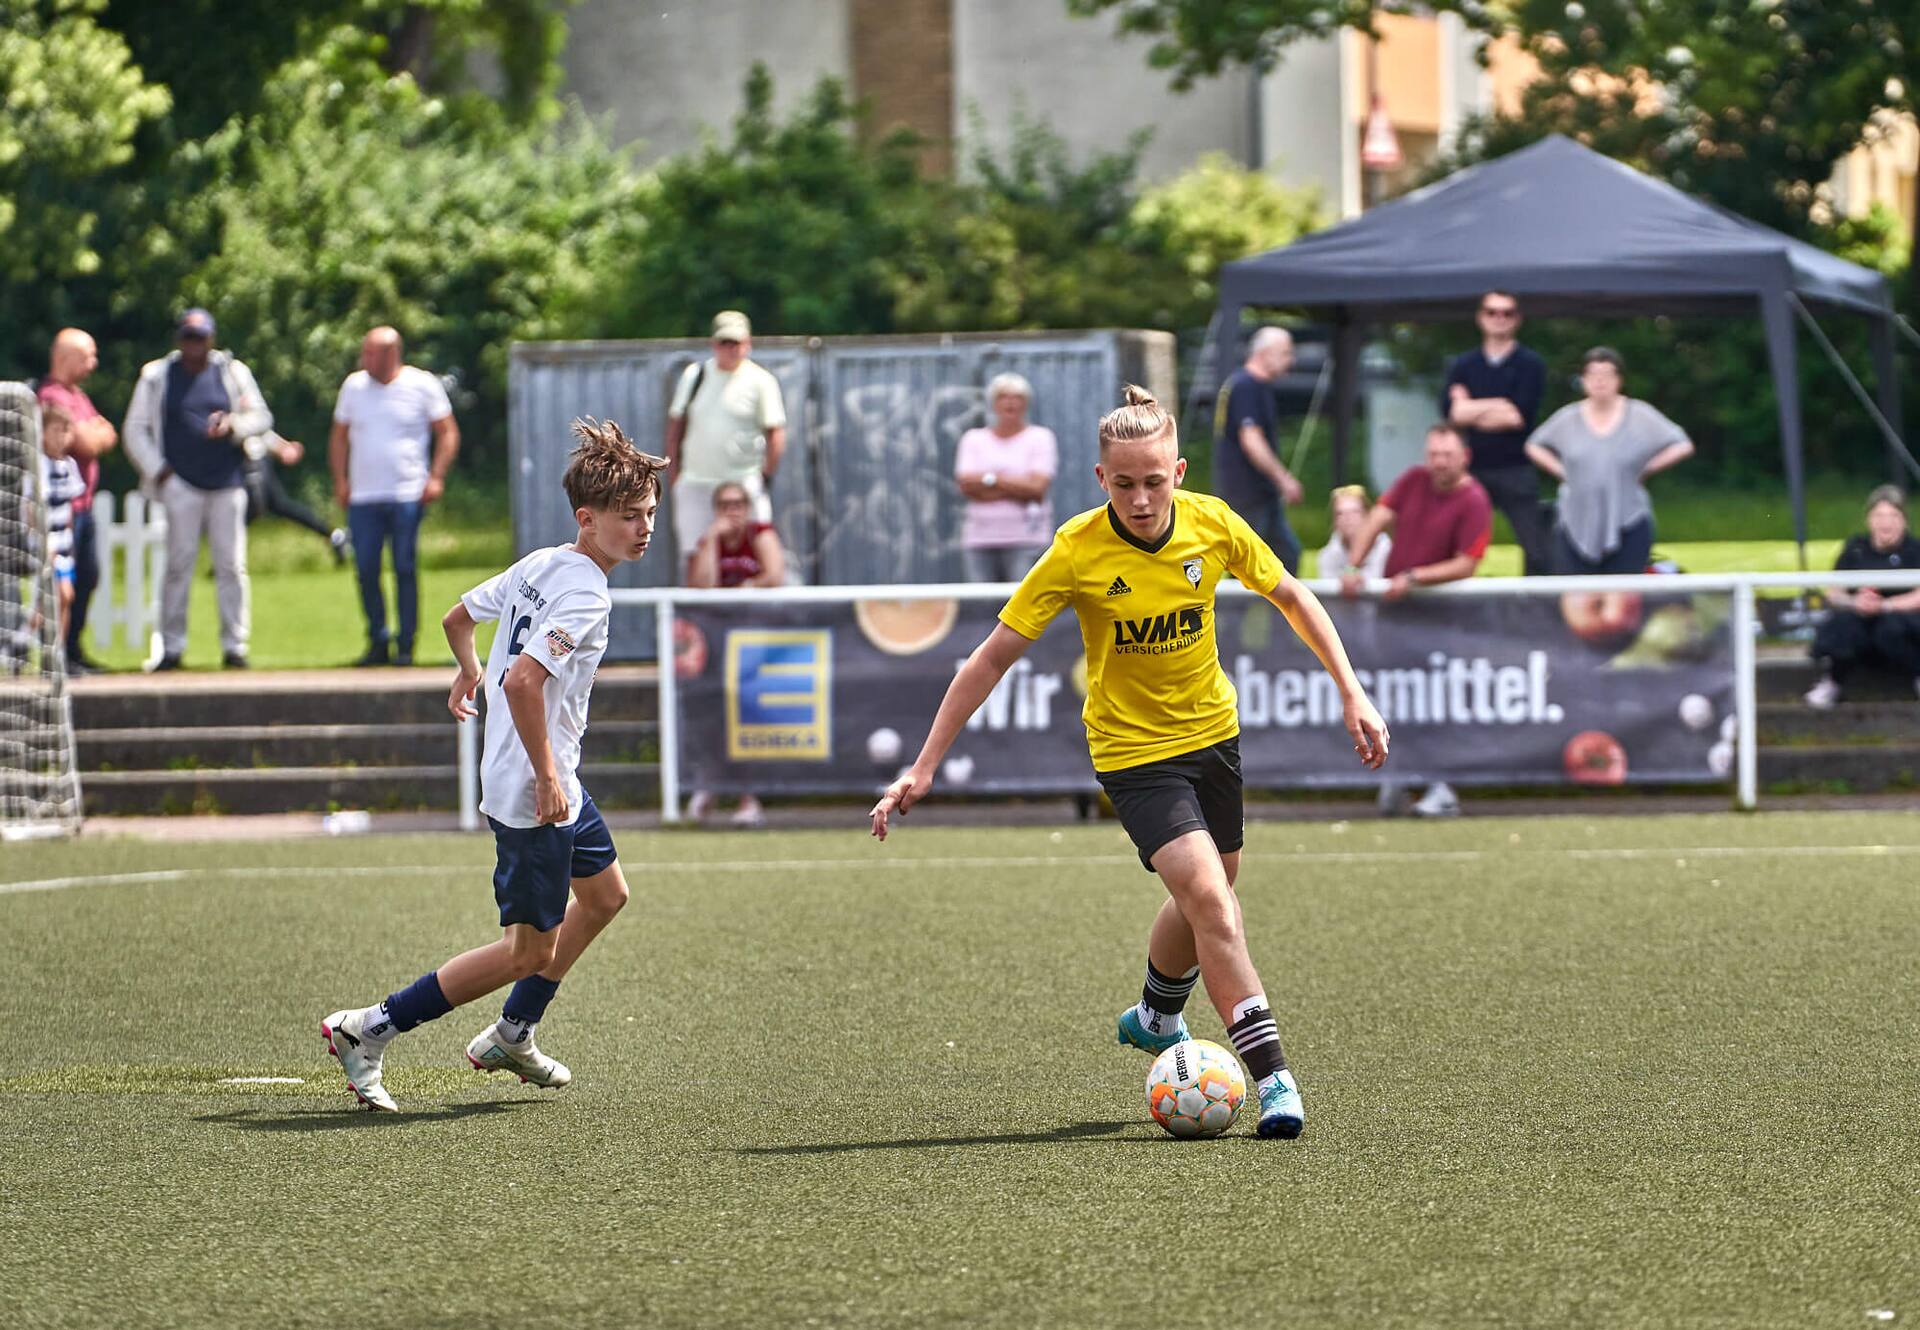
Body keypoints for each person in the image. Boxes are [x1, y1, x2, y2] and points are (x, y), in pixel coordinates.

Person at [869, 386, 1389, 1141]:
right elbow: (989, 659)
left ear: (1177, 471)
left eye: (1153, 481)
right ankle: (1275, 1078)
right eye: (1123, 483)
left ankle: (1155, 1014)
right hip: (1132, 755)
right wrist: (924, 765)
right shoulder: (1077, 550)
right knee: (1212, 901)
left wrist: (1353, 692)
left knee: (1213, 890)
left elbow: (1294, 598)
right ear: (1099, 479)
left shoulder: (1214, 524)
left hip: (1213, 736)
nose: (1140, 499)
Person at [320, 418, 666, 1112]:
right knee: (525, 954)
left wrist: (466, 670)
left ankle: (514, 1031)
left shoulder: (543, 562)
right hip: (536, 787)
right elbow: (523, 684)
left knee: (605, 896)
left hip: (551, 774)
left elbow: (456, 617)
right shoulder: (585, 594)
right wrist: (544, 775)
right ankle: (368, 1028)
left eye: (651, 514)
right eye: (629, 517)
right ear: (588, 518)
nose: (644, 528)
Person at [1343, 423, 1493, 818]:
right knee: (1396, 699)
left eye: (1446, 455)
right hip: (1395, 617)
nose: (1438, 463)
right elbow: (1376, 519)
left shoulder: (1475, 499)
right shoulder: (1413, 480)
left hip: (1442, 622)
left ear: (1465, 457)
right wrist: (1353, 565)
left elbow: (1468, 563)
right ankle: (1397, 777)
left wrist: (1415, 578)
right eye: (1433, 454)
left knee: (1437, 706)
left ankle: (1441, 786)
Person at [123, 308, 274, 671]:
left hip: (227, 481)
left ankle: (234, 645)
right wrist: (160, 473)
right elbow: (135, 429)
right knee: (178, 564)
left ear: (211, 338)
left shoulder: (232, 373)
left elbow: (262, 418)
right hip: (180, 484)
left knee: (231, 566)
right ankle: (172, 646)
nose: (195, 345)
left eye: (201, 337)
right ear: (180, 339)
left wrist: (233, 424)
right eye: (189, 337)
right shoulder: (157, 376)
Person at [330, 326, 460, 666]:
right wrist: (341, 480)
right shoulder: (354, 386)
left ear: (391, 353)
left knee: (404, 566)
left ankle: (406, 643)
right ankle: (377, 638)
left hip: (406, 492)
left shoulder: (421, 384)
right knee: (366, 567)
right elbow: (339, 437)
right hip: (364, 496)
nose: (364, 359)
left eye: (371, 353)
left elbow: (447, 433)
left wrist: (436, 476)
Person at [1524, 347, 1693, 576]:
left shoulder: (1640, 415)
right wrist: (1562, 471)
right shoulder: (1568, 418)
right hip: (1575, 521)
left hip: (1628, 518)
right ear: (1583, 380)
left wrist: (1649, 468)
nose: (1599, 381)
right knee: (1577, 596)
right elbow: (1534, 445)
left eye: (1607, 374)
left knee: (1622, 596)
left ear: (1619, 380)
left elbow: (1681, 443)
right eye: (1593, 374)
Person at [684, 479, 790, 828]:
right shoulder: (707, 541)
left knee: (747, 717)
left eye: (739, 503)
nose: (733, 511)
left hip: (755, 645)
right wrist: (713, 539)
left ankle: (747, 795)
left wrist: (748, 587)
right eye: (725, 504)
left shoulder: (760, 534)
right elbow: (703, 585)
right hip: (716, 647)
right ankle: (710, 788)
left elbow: (775, 575)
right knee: (715, 718)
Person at [665, 310, 787, 579]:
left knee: (761, 547)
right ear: (714, 344)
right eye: (725, 342)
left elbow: (776, 432)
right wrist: (675, 476)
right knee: (695, 555)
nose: (731, 349)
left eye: (737, 342)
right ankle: (696, 619)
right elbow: (675, 427)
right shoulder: (695, 375)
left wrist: (765, 474)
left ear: (748, 344)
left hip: (743, 482)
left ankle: (757, 613)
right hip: (696, 482)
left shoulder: (761, 381)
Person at [1442, 291, 1549, 575]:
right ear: (1480, 317)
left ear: (1517, 319)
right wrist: (1498, 404)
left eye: (1506, 313)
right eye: (1492, 312)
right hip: (1471, 468)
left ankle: (1536, 609)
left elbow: (1517, 418)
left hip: (1516, 467)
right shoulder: (1463, 365)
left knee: (1536, 548)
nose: (1499, 318)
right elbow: (1453, 416)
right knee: (1452, 544)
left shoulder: (1530, 364)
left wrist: (1470, 407)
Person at [36, 328, 117, 673]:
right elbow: (86, 441)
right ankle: (55, 655)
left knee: (88, 576)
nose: (93, 363)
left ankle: (73, 648)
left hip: (83, 505)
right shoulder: (50, 395)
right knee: (61, 588)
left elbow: (108, 433)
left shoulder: (78, 396)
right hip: (60, 513)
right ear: (65, 357)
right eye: (87, 355)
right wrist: (92, 433)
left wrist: (95, 433)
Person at [1804, 485, 1920, 708]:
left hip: (1900, 625)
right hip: (1862, 621)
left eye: (1893, 516)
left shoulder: (1915, 550)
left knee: (1893, 628)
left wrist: (1885, 606)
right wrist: (1855, 602)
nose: (1886, 522)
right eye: (1879, 515)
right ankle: (1833, 682)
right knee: (1844, 626)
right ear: (1869, 519)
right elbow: (1835, 591)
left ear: (1904, 520)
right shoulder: (1855, 548)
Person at [1213, 326, 1305, 571]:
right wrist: (1284, 479)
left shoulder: (1251, 386)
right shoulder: (1246, 386)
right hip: (1247, 495)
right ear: (1265, 353)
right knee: (1247, 564)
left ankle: (1278, 610)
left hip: (1261, 495)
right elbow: (1251, 440)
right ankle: (1238, 611)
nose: (1291, 361)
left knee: (1287, 555)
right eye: (1286, 353)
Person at [954, 373, 1058, 581]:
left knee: (1021, 605)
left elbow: (1036, 489)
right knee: (982, 607)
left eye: (1017, 397)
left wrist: (990, 480)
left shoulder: (1040, 438)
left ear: (1026, 403)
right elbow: (966, 485)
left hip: (1026, 537)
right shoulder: (973, 439)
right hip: (980, 538)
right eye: (1003, 397)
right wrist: (1016, 484)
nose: (1010, 403)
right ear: (993, 403)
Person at [244, 431, 349, 564]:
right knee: (272, 506)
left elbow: (256, 425)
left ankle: (226, 560)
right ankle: (334, 535)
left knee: (255, 509)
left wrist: (282, 446)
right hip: (240, 462)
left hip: (253, 461)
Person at [1316, 484, 1390, 580]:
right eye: (1340, 513)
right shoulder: (1326, 556)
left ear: (1367, 516)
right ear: (1334, 521)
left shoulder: (1386, 549)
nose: (1347, 518)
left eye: (1354, 512)